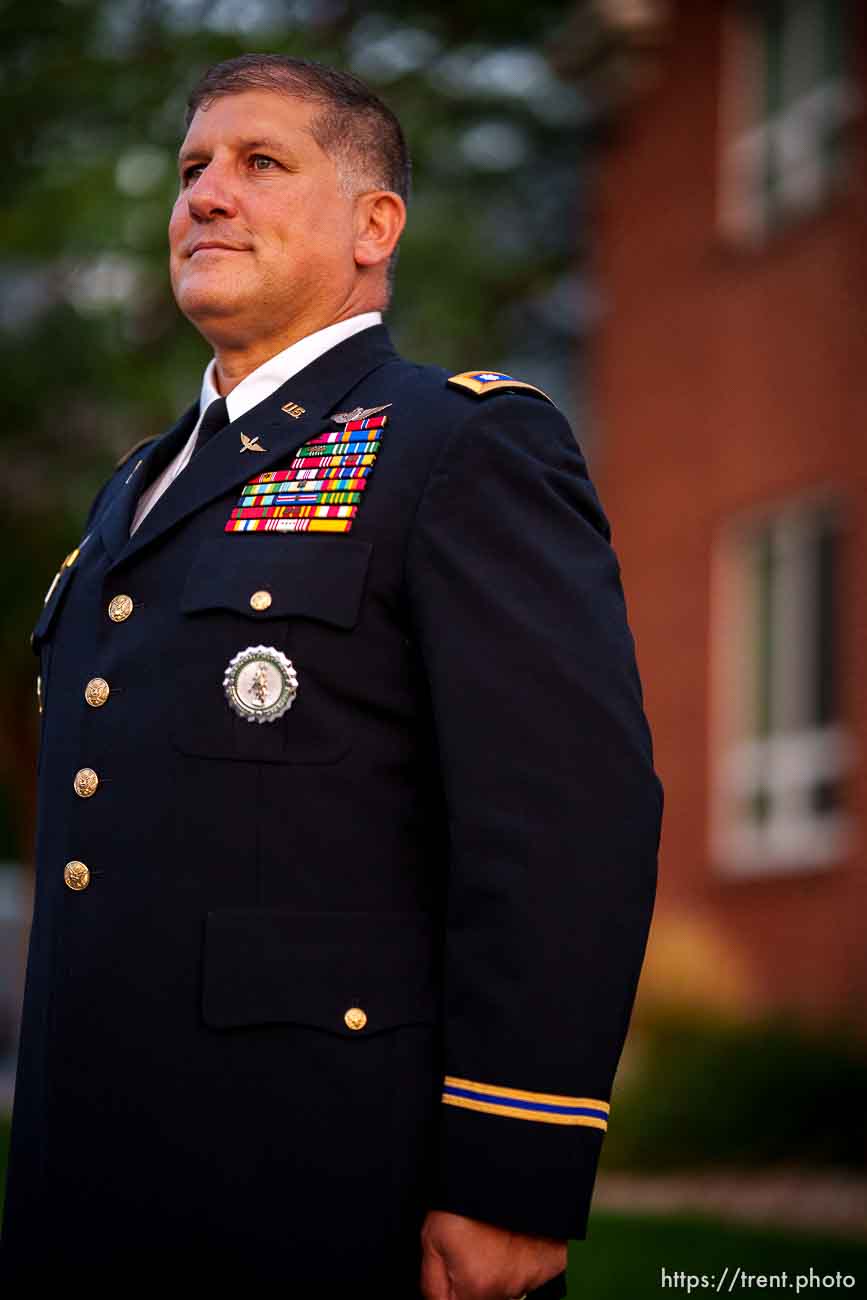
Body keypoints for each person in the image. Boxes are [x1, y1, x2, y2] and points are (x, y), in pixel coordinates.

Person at [0, 54, 662, 1298]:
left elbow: (569, 820)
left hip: (323, 1194)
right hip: (89, 1185)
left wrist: (512, 1170)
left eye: (260, 164)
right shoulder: (134, 487)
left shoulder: (459, 444)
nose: (205, 194)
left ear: (374, 225)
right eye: (192, 168)